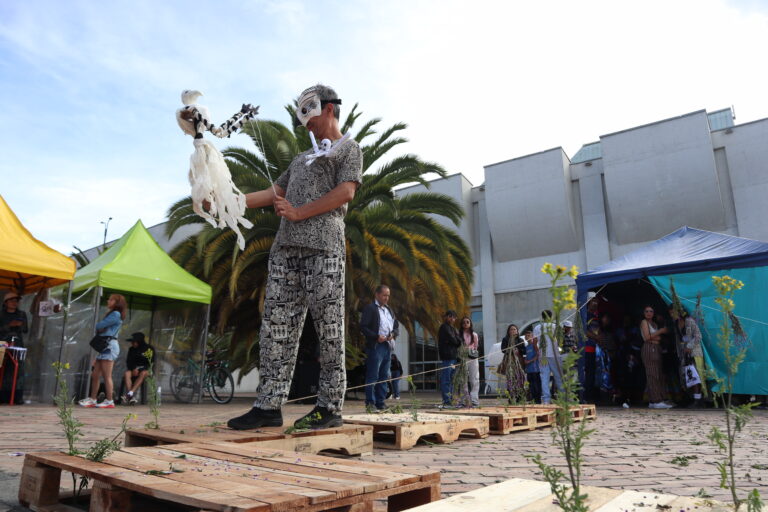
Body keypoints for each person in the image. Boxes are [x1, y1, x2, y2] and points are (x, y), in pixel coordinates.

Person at [227, 84, 362, 430]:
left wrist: (300, 213)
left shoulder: (350, 149)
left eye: (310, 114)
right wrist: (230, 202)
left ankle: (330, 407)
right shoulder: (301, 159)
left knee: (329, 329)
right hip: (285, 252)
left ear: (329, 109)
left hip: (325, 249)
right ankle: (268, 406)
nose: (307, 124)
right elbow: (275, 192)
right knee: (276, 329)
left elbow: (346, 191)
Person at [79, 294, 127, 408]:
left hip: (109, 346)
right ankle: (93, 399)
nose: (108, 301)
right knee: (95, 375)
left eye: (111, 300)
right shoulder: (113, 314)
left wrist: (100, 326)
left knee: (107, 375)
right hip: (105, 346)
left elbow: (99, 325)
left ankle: (110, 400)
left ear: (117, 303)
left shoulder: (115, 314)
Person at [359, 285, 398, 411]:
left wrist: (393, 334)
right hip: (376, 346)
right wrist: (376, 336)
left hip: (388, 346)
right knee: (373, 375)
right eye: (384, 295)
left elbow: (396, 327)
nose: (386, 298)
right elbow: (363, 327)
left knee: (384, 375)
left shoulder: (389, 310)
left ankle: (381, 403)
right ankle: (370, 403)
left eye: (388, 296)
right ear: (377, 295)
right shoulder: (370, 308)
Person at [670, 304, 706, 407]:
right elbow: (678, 339)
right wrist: (679, 351)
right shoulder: (676, 323)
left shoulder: (689, 321)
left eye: (674, 312)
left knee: (695, 375)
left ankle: (698, 399)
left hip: (694, 352)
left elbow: (698, 336)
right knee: (686, 376)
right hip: (683, 353)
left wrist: (689, 346)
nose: (672, 315)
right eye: (671, 313)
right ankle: (691, 398)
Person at [640, 305, 673, 409]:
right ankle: (656, 400)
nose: (649, 313)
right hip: (649, 348)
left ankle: (653, 400)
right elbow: (647, 337)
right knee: (652, 374)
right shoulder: (644, 322)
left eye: (651, 311)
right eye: (647, 311)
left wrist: (655, 336)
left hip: (656, 348)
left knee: (658, 374)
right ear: (644, 313)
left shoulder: (654, 324)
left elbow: (657, 339)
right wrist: (660, 331)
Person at [0, 291, 28, 404]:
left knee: (18, 370)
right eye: (12, 301)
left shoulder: (22, 314)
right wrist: (9, 326)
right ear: (6, 302)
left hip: (17, 344)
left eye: (16, 301)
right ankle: (2, 396)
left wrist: (20, 325)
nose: (14, 303)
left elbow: (26, 330)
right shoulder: (1, 314)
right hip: (2, 344)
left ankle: (17, 396)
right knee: (3, 368)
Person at [534, 310, 564, 405]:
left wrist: (538, 352)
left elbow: (534, 342)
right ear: (550, 317)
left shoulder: (537, 327)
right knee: (558, 377)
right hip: (554, 355)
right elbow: (560, 340)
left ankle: (546, 400)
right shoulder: (555, 326)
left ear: (542, 317)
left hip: (543, 355)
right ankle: (563, 398)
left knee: (544, 377)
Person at [437, 310, 462, 408]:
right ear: (446, 317)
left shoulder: (454, 328)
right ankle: (446, 401)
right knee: (446, 379)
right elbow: (455, 340)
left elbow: (458, 340)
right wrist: (456, 340)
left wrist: (456, 340)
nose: (452, 319)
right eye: (450, 316)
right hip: (447, 357)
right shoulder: (444, 327)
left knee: (451, 380)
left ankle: (450, 400)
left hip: (454, 357)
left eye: (454, 317)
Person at [121, 332, 153, 405]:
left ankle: (129, 394)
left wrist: (140, 369)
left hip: (146, 370)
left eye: (134, 342)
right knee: (127, 373)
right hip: (134, 369)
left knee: (143, 373)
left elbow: (151, 362)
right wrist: (133, 368)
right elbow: (129, 361)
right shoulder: (131, 349)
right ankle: (131, 396)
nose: (132, 343)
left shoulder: (149, 349)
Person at [499, 324, 526, 403]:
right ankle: (511, 397)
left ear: (517, 331)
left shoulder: (520, 340)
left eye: (515, 329)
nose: (513, 331)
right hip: (510, 361)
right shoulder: (505, 339)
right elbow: (503, 350)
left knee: (519, 378)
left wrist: (518, 350)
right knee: (510, 378)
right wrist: (510, 350)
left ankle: (520, 397)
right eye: (511, 329)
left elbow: (524, 350)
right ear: (508, 331)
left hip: (519, 361)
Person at [458, 316, 481, 407]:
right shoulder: (459, 334)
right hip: (463, 357)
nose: (466, 324)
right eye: (464, 322)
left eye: (467, 322)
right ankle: (464, 400)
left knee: (475, 378)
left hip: (472, 358)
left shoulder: (474, 334)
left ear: (470, 323)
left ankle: (474, 400)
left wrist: (471, 351)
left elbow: (476, 346)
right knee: (463, 379)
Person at [583, 296, 600, 403]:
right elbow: (584, 330)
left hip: (595, 349)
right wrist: (596, 337)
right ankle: (586, 397)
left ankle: (592, 395)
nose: (595, 305)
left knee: (594, 374)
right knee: (588, 374)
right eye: (593, 303)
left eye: (596, 304)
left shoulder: (595, 316)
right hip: (587, 349)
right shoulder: (585, 315)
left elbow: (597, 331)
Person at [521, 328, 541, 403]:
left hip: (535, 370)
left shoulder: (535, 345)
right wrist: (525, 362)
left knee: (537, 387)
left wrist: (529, 361)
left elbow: (538, 355)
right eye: (526, 336)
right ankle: (533, 401)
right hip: (529, 370)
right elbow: (525, 356)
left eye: (529, 335)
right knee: (531, 387)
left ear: (532, 336)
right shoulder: (526, 347)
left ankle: (538, 401)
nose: (527, 337)